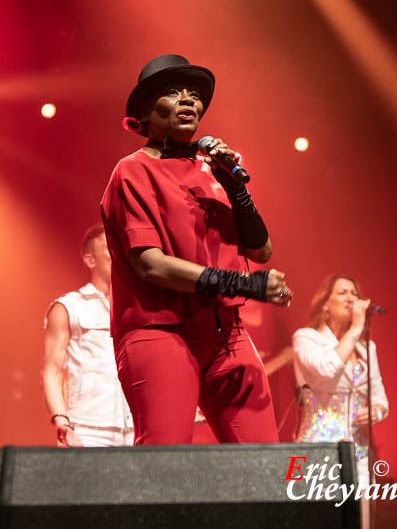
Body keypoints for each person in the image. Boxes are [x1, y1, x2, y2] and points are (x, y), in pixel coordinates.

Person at [101, 53, 294, 445]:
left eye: (194, 93)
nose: (188, 100)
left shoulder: (213, 171)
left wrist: (237, 189)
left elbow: (262, 251)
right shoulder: (132, 171)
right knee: (168, 464)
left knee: (264, 461)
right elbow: (150, 266)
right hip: (161, 331)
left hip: (227, 333)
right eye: (173, 92)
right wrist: (247, 286)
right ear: (145, 110)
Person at [292, 274, 389, 528]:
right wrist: (356, 329)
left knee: (361, 523)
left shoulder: (368, 349)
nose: (351, 299)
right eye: (343, 292)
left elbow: (380, 399)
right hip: (318, 450)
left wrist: (375, 412)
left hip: (359, 454)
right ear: (325, 303)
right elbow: (326, 369)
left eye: (354, 294)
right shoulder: (306, 339)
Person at [42, 224, 134, 447]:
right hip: (87, 430)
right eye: (109, 249)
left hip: (135, 430)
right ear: (90, 260)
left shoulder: (136, 309)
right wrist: (62, 422)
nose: (117, 254)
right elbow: (51, 372)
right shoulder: (69, 307)